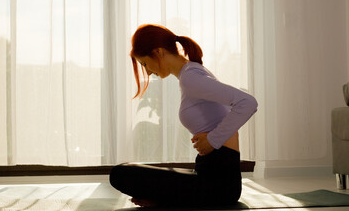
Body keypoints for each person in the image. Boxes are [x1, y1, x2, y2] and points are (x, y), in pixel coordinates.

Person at [109, 24, 258, 208]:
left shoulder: (191, 77)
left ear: (159, 52)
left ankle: (167, 200)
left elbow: (248, 103)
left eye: (145, 64)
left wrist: (212, 140)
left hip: (218, 186)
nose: (147, 72)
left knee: (120, 174)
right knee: (131, 170)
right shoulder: (192, 72)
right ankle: (164, 200)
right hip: (213, 177)